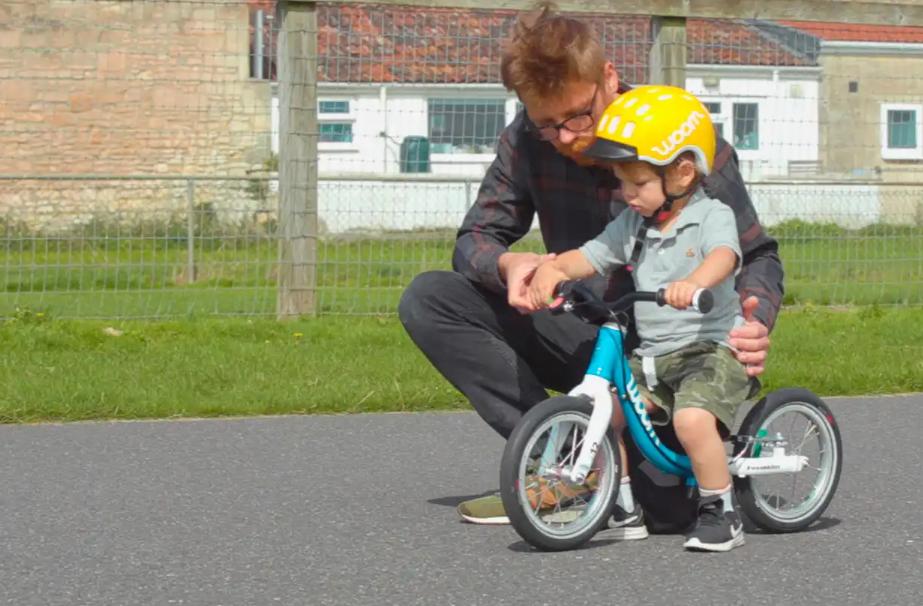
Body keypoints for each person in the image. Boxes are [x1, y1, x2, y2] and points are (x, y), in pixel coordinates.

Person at [398, 2, 782, 534]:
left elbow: (757, 254)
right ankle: (561, 458)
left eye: (579, 116)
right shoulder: (527, 140)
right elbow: (476, 239)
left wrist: (754, 320)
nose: (566, 137)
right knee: (431, 298)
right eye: (546, 124)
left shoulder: (679, 143)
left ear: (608, 77)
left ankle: (605, 470)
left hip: (667, 349)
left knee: (667, 510)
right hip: (586, 330)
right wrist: (509, 263)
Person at [528, 85, 751, 552]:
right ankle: (621, 505)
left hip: (710, 353)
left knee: (691, 421)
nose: (627, 194)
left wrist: (695, 283)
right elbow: (593, 254)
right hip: (653, 357)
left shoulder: (712, 215)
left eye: (638, 183)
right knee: (606, 409)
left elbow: (725, 257)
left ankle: (721, 510)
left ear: (683, 171)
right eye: (622, 182)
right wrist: (553, 268)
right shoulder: (636, 222)